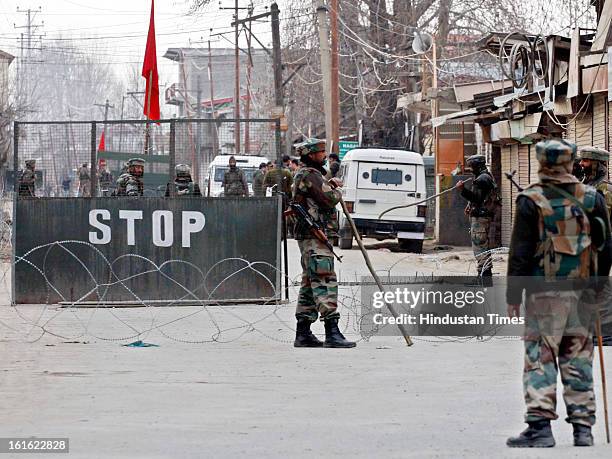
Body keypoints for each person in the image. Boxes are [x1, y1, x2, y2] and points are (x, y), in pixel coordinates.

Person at [506, 139, 612, 448]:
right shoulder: (592, 198)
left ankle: (539, 427)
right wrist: (596, 286)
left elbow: (521, 252)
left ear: (541, 163)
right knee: (578, 357)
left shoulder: (531, 199)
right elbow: (605, 246)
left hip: (544, 294)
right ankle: (583, 429)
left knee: (541, 357)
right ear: (572, 162)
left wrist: (514, 294)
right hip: (582, 291)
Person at [292, 139, 355, 348]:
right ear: (311, 155)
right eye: (321, 153)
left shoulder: (314, 174)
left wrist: (331, 183)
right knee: (324, 278)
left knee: (310, 283)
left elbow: (323, 189)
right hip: (314, 235)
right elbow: (327, 199)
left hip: (315, 236)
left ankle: (303, 332)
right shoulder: (308, 174)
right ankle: (332, 331)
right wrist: (337, 191)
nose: (324, 156)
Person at [456, 155, 499, 277]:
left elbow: (477, 198)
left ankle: (484, 277)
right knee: (481, 246)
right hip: (482, 216)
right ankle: (483, 275)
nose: (470, 169)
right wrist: (470, 204)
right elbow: (480, 198)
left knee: (480, 247)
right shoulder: (484, 177)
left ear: (477, 166)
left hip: (481, 218)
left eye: (472, 166)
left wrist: (462, 190)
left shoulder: (482, 179)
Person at [579, 146, 612, 215]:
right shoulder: (586, 183)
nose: (580, 163)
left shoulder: (605, 188)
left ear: (596, 165)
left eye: (585, 160)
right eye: (581, 160)